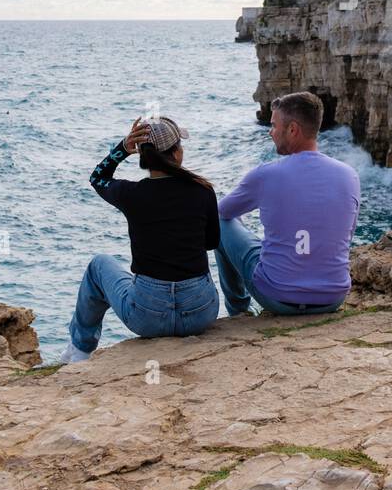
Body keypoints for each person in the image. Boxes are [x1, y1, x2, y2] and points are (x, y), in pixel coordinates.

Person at [59, 115, 220, 362]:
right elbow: (211, 243)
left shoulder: (132, 194)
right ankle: (240, 307)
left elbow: (98, 178)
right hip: (199, 314)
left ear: (145, 158)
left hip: (147, 318)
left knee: (98, 265)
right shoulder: (202, 190)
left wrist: (123, 149)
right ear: (176, 154)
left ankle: (80, 350)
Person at [214, 90, 360, 317]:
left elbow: (221, 212)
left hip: (278, 297)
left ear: (292, 130)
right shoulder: (349, 175)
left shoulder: (265, 175)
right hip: (332, 297)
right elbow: (345, 236)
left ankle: (239, 311)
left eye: (273, 126)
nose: (270, 133)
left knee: (221, 224)